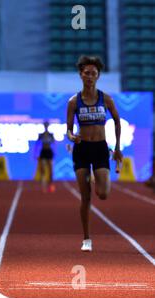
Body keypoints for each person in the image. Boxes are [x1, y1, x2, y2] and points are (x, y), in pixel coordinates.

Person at [66, 55, 123, 252]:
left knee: (103, 194)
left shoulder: (105, 99)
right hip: (82, 150)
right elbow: (69, 130)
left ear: (98, 76)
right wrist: (71, 137)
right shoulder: (73, 102)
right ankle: (87, 239)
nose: (90, 76)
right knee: (86, 197)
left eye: (93, 73)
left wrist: (117, 148)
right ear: (81, 75)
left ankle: (96, 177)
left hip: (100, 148)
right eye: (86, 73)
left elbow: (116, 121)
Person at [35, 121, 56, 193]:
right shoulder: (41, 135)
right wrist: (36, 154)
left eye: (47, 125)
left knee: (50, 170)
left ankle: (50, 185)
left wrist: (54, 153)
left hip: (49, 152)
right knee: (43, 170)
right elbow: (37, 145)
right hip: (43, 152)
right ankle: (43, 186)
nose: (46, 126)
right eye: (45, 125)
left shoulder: (51, 135)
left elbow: (54, 144)